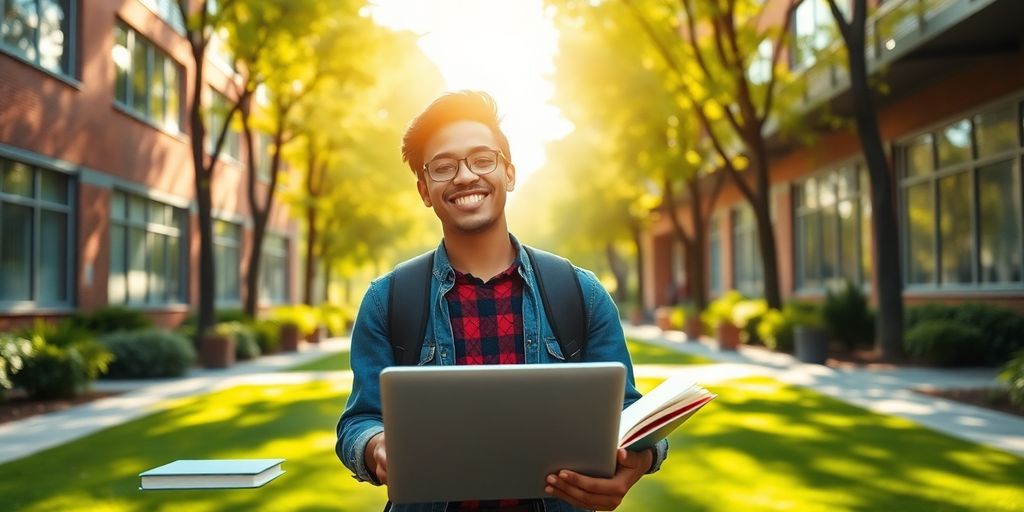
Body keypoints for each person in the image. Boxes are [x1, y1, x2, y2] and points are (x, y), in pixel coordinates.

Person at [335, 91, 668, 512]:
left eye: (482, 159)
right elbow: (358, 422)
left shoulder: (580, 293)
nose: (464, 177)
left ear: (509, 174)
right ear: (424, 189)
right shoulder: (388, 301)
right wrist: (376, 447)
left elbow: (632, 416)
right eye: (443, 167)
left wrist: (639, 460)